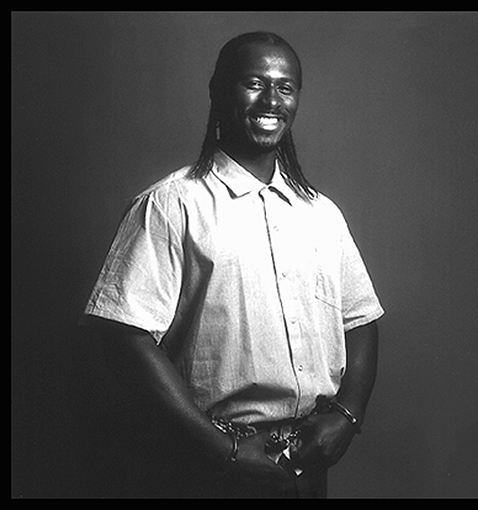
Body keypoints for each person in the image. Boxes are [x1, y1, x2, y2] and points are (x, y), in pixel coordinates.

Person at [82, 31, 384, 499]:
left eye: (285, 88)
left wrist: (348, 415)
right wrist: (223, 449)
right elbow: (124, 337)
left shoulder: (321, 214)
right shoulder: (171, 205)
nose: (271, 100)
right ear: (219, 91)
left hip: (308, 463)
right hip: (210, 468)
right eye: (254, 83)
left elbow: (361, 319)